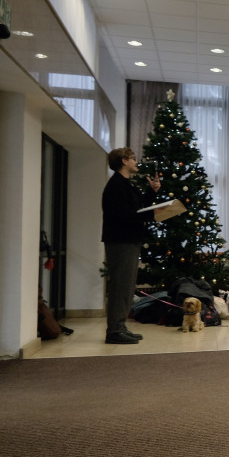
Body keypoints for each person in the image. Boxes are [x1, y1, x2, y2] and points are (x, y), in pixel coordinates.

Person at [101, 147, 161, 344]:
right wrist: (153, 213)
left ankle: (120, 326)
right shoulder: (116, 185)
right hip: (121, 241)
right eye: (133, 158)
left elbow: (139, 207)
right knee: (120, 286)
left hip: (128, 240)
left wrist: (153, 193)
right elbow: (126, 215)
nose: (136, 162)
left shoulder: (126, 184)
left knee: (126, 287)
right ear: (124, 161)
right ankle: (114, 331)